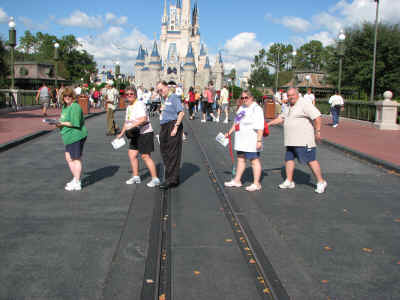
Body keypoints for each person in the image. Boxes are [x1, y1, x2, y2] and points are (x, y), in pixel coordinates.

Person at [267, 88, 327, 194]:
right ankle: (289, 180)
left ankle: (321, 181)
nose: (290, 97)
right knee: (289, 159)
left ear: (298, 94)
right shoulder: (289, 105)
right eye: (289, 96)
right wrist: (268, 124)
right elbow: (281, 118)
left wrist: (318, 132)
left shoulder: (304, 103)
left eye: (292, 95)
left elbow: (317, 117)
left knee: (310, 160)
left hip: (303, 140)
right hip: (291, 140)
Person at [117, 87, 160, 187]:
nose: (129, 96)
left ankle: (155, 179)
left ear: (135, 94)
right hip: (135, 133)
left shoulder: (139, 104)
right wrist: (121, 133)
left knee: (145, 156)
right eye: (127, 94)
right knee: (132, 155)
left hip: (145, 133)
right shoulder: (129, 107)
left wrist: (131, 126)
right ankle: (136, 176)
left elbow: (144, 119)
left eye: (131, 94)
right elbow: (127, 122)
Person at [224, 90, 264, 192]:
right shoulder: (241, 108)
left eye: (246, 98)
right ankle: (237, 180)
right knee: (241, 159)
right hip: (241, 139)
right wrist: (229, 132)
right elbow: (236, 122)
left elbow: (260, 126)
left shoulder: (257, 109)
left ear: (251, 98)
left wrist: (259, 140)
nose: (244, 100)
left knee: (254, 161)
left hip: (252, 139)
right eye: (242, 98)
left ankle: (256, 183)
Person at [53, 87, 88, 191]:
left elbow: (75, 123)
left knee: (76, 158)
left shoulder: (75, 107)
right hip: (68, 136)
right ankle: (76, 178)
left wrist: (62, 123)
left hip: (76, 135)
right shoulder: (65, 107)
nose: (67, 98)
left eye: (69, 96)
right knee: (69, 158)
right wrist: (58, 124)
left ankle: (77, 182)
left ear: (73, 97)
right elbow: (64, 120)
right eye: (65, 96)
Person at [156, 80, 185, 189]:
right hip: (164, 126)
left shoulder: (173, 97)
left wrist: (176, 127)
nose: (160, 92)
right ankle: (174, 178)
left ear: (166, 87)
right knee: (165, 152)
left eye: (161, 89)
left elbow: (181, 113)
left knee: (172, 153)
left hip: (172, 126)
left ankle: (170, 179)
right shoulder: (165, 98)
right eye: (158, 90)